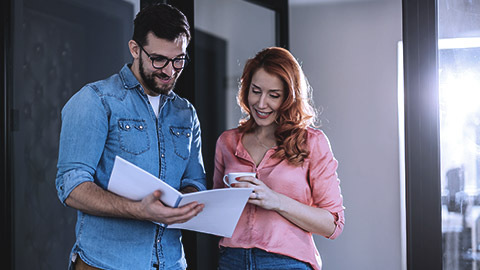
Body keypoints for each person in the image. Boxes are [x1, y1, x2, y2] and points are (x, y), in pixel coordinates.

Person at [55, 4, 206, 270]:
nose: (170, 71)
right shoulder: (95, 100)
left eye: (179, 60)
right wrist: (138, 209)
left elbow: (195, 181)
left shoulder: (186, 113)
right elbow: (72, 187)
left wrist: (185, 203)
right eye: (159, 59)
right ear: (135, 49)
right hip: (105, 264)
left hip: (171, 263)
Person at [213, 47, 345, 270]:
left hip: (286, 262)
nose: (261, 103)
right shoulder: (227, 142)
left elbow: (333, 225)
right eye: (256, 91)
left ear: (288, 98)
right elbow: (216, 215)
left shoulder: (312, 142)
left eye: (273, 95)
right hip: (231, 260)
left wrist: (275, 200)